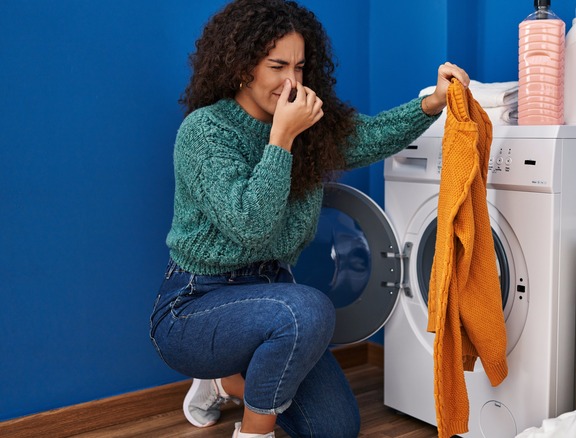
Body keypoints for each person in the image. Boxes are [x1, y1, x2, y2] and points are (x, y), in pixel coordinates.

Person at [148, 1, 470, 437]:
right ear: (243, 66)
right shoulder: (206, 131)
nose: (291, 81)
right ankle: (252, 431)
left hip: (272, 295)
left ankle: (226, 381)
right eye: (277, 66)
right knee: (308, 309)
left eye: (299, 67)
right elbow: (250, 223)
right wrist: (282, 137)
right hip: (194, 306)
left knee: (335, 428)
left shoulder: (307, 123)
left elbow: (369, 136)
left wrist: (432, 103)